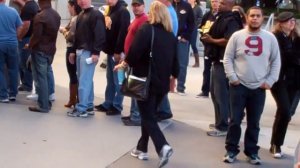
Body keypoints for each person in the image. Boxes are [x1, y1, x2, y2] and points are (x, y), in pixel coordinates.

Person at [114, 1, 178, 167]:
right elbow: (177, 64)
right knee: (149, 114)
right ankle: (141, 149)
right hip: (162, 84)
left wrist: (124, 63)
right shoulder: (170, 35)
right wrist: (174, 78)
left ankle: (162, 146)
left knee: (147, 117)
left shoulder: (146, 30)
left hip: (144, 80)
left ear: (153, 13)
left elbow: (134, 52)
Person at [223, 6, 281, 164]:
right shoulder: (237, 36)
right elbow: (228, 58)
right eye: (252, 16)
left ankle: (252, 152)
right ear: (246, 18)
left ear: (262, 18)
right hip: (238, 85)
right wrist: (232, 77)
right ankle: (231, 151)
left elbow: (276, 61)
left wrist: (270, 81)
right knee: (235, 120)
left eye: (258, 16)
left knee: (254, 122)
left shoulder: (270, 38)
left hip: (258, 87)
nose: (255, 18)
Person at [201, 0, 243, 137]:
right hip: (216, 60)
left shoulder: (231, 20)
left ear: (230, 5)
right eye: (219, 3)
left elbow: (229, 39)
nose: (219, 5)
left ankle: (223, 126)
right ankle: (220, 121)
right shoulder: (220, 17)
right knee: (214, 93)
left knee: (221, 95)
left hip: (223, 61)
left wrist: (212, 40)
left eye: (223, 3)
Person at [67, 0, 106, 117]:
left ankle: (82, 109)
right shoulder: (81, 15)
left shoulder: (96, 15)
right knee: (85, 79)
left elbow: (100, 35)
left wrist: (96, 52)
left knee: (84, 81)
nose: (82, 1)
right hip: (81, 51)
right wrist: (73, 51)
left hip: (88, 53)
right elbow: (77, 36)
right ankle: (88, 106)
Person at [269, 11, 300, 158]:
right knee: (285, 111)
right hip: (279, 80)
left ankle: (275, 143)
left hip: (295, 81)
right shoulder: (275, 38)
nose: (292, 23)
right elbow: (282, 57)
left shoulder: (297, 39)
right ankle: (277, 144)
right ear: (281, 23)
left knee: (285, 113)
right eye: (288, 21)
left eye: (293, 21)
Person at [94, 0, 130, 116]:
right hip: (110, 52)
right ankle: (108, 102)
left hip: (117, 53)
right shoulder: (111, 10)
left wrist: (118, 51)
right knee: (110, 80)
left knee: (118, 81)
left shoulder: (123, 12)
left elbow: (123, 32)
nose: (108, 0)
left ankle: (117, 105)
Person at [27, 0, 60, 112]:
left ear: (40, 2)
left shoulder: (40, 16)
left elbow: (36, 36)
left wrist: (29, 45)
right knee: (45, 76)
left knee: (41, 78)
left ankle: (43, 105)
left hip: (40, 50)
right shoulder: (56, 15)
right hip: (50, 50)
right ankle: (47, 101)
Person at [121, 0, 148, 126]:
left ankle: (136, 116)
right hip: (131, 58)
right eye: (134, 5)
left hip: (136, 60)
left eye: (138, 5)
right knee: (132, 87)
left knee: (136, 87)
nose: (136, 8)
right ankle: (134, 113)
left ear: (144, 6)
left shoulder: (143, 20)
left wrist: (131, 58)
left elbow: (140, 43)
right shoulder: (136, 19)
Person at [59, 0, 82, 108]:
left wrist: (63, 31)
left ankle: (73, 99)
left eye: (68, 7)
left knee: (72, 74)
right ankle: (75, 98)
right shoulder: (78, 17)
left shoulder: (75, 19)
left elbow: (70, 36)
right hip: (76, 48)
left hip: (71, 48)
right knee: (75, 75)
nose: (68, 9)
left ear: (73, 6)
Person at [13, 0, 39, 92]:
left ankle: (27, 85)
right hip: (30, 37)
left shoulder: (28, 8)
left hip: (26, 38)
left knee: (24, 62)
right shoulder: (32, 5)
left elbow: (26, 25)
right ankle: (26, 84)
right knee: (25, 62)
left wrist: (19, 36)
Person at [0, 0, 22, 103]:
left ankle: (3, 95)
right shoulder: (13, 11)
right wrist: (15, 37)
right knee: (13, 68)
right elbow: (20, 26)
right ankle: (13, 94)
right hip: (13, 43)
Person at [196, 0, 219, 98]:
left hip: (218, 48)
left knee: (218, 71)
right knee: (206, 70)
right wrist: (203, 38)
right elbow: (202, 29)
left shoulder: (222, 16)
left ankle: (217, 92)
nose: (214, 3)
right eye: (213, 1)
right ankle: (205, 91)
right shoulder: (207, 16)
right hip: (208, 47)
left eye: (216, 1)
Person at [172, 0, 195, 95]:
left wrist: (185, 36)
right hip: (169, 39)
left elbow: (191, 23)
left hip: (182, 39)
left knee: (182, 64)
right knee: (166, 62)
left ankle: (180, 87)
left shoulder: (187, 6)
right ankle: (166, 86)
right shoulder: (168, 4)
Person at [188, 0, 203, 68]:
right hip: (186, 28)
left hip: (193, 28)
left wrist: (196, 24)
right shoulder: (187, 7)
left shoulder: (198, 8)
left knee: (193, 44)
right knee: (186, 44)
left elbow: (200, 18)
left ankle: (197, 62)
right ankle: (185, 60)